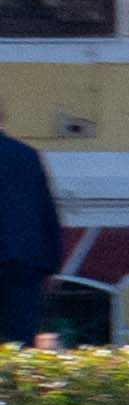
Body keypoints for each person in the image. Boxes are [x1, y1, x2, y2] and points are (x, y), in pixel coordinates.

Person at [0, 86, 60, 350]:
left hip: (21, 264)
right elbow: (47, 213)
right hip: (24, 266)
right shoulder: (27, 156)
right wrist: (50, 266)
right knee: (20, 350)